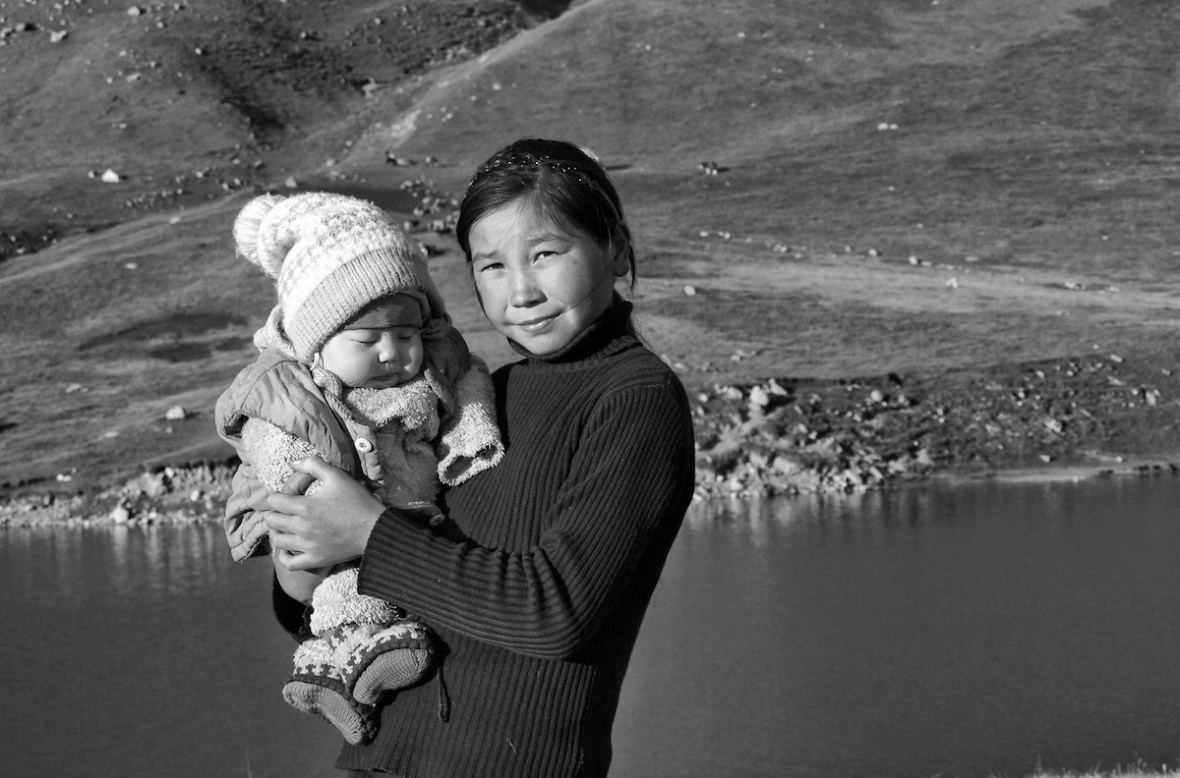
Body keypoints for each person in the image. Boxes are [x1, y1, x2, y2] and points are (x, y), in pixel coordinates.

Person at [263, 138, 696, 778]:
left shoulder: (636, 397)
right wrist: (301, 569)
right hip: (380, 761)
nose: (521, 291)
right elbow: (391, 589)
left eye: (545, 254)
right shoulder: (478, 399)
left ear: (617, 248)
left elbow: (556, 612)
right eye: (491, 265)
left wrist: (368, 533)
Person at [214, 191, 503, 746]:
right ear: (317, 345)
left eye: (406, 335)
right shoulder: (293, 399)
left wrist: (472, 439)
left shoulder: (436, 376)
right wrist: (306, 491)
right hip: (335, 537)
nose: (391, 352)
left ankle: (338, 674)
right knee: (345, 587)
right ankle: (344, 663)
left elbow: (469, 388)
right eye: (367, 340)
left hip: (407, 534)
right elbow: (279, 455)